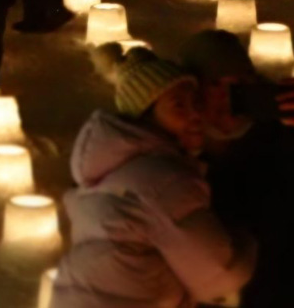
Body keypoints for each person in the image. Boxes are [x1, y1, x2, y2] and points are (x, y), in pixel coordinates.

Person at [52, 43, 256, 308]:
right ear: (146, 114)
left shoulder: (114, 169)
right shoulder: (163, 180)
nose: (195, 114)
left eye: (196, 103)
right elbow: (219, 275)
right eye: (179, 105)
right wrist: (249, 243)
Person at [180, 30, 294, 308]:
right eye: (215, 83)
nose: (227, 95)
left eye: (238, 83)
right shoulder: (179, 138)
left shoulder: (277, 128)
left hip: (284, 287)